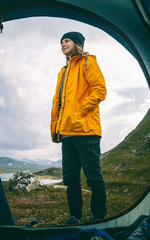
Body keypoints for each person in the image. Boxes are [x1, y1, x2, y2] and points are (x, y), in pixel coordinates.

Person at [50, 31, 107, 224]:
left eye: (66, 41)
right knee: (70, 178)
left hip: (86, 131)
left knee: (93, 177)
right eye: (61, 42)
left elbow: (100, 90)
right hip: (66, 133)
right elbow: (58, 102)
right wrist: (56, 129)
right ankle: (75, 217)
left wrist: (81, 110)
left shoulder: (88, 62)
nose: (63, 45)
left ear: (77, 44)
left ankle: (98, 216)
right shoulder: (63, 71)